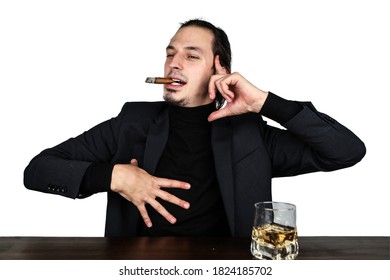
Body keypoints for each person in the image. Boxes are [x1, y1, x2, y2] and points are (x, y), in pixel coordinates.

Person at [24, 19, 366, 237]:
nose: (173, 62)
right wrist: (113, 177)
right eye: (170, 53)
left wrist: (265, 102)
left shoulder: (249, 133)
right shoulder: (132, 122)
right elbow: (37, 171)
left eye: (191, 56)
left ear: (220, 68)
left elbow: (346, 151)